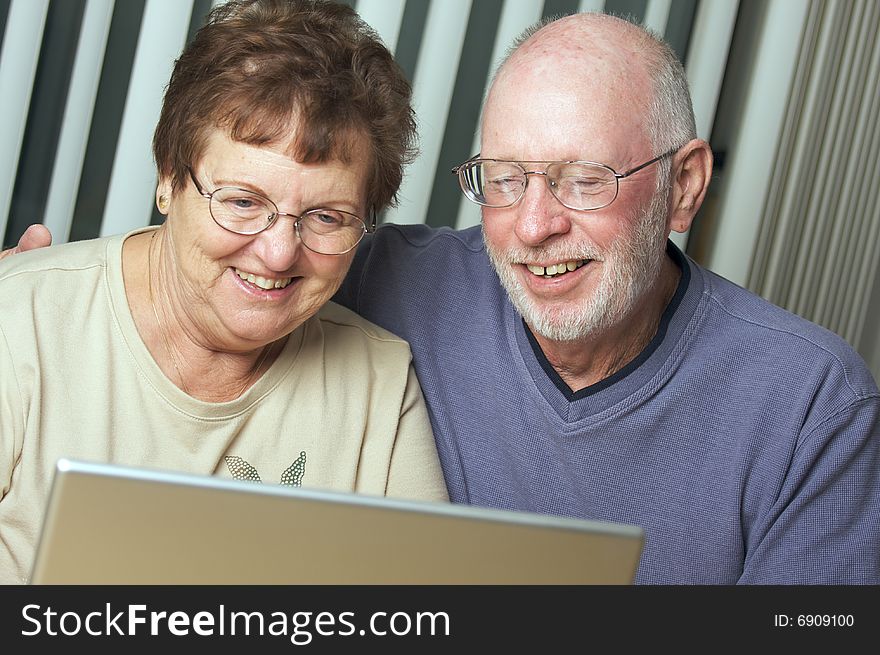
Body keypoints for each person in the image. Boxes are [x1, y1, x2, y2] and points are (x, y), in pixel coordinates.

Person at [6, 10, 879, 584]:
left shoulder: (811, 406)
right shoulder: (363, 281)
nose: (535, 225)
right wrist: (28, 294)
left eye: (583, 179)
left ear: (684, 186)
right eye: (504, 178)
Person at [0, 0, 447, 585]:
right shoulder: (21, 321)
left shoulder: (380, 390)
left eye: (327, 217)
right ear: (168, 178)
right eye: (242, 202)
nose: (279, 252)